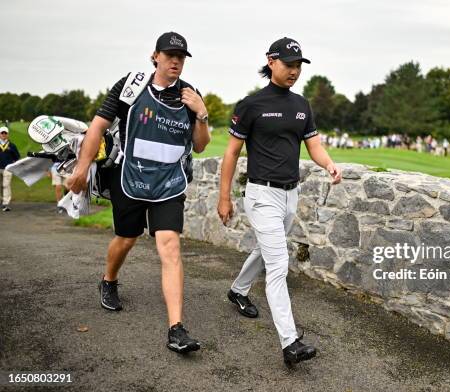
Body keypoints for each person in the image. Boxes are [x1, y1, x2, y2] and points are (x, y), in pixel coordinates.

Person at [66, 32, 210, 353]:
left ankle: (176, 329)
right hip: (130, 178)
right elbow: (98, 127)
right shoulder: (130, 85)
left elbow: (200, 146)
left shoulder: (190, 95)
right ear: (155, 56)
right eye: (170, 55)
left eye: (181, 57)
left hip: (170, 183)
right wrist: (81, 168)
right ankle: (109, 279)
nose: (176, 61)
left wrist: (201, 114)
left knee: (169, 246)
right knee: (127, 238)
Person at [217, 37, 342, 367]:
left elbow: (313, 145)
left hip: (290, 194)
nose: (295, 71)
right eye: (289, 64)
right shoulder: (251, 105)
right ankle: (290, 342)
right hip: (261, 195)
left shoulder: (302, 105)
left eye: (299, 65)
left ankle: (238, 291)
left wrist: (328, 163)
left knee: (265, 249)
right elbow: (231, 152)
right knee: (278, 265)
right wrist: (224, 196)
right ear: (271, 61)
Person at [0, 126, 20, 211]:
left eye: (5, 133)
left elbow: (17, 157)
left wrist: (13, 164)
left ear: (8, 134)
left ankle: (6, 203)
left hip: (8, 169)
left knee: (6, 185)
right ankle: (1, 200)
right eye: (2, 133)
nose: (4, 134)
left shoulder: (12, 145)